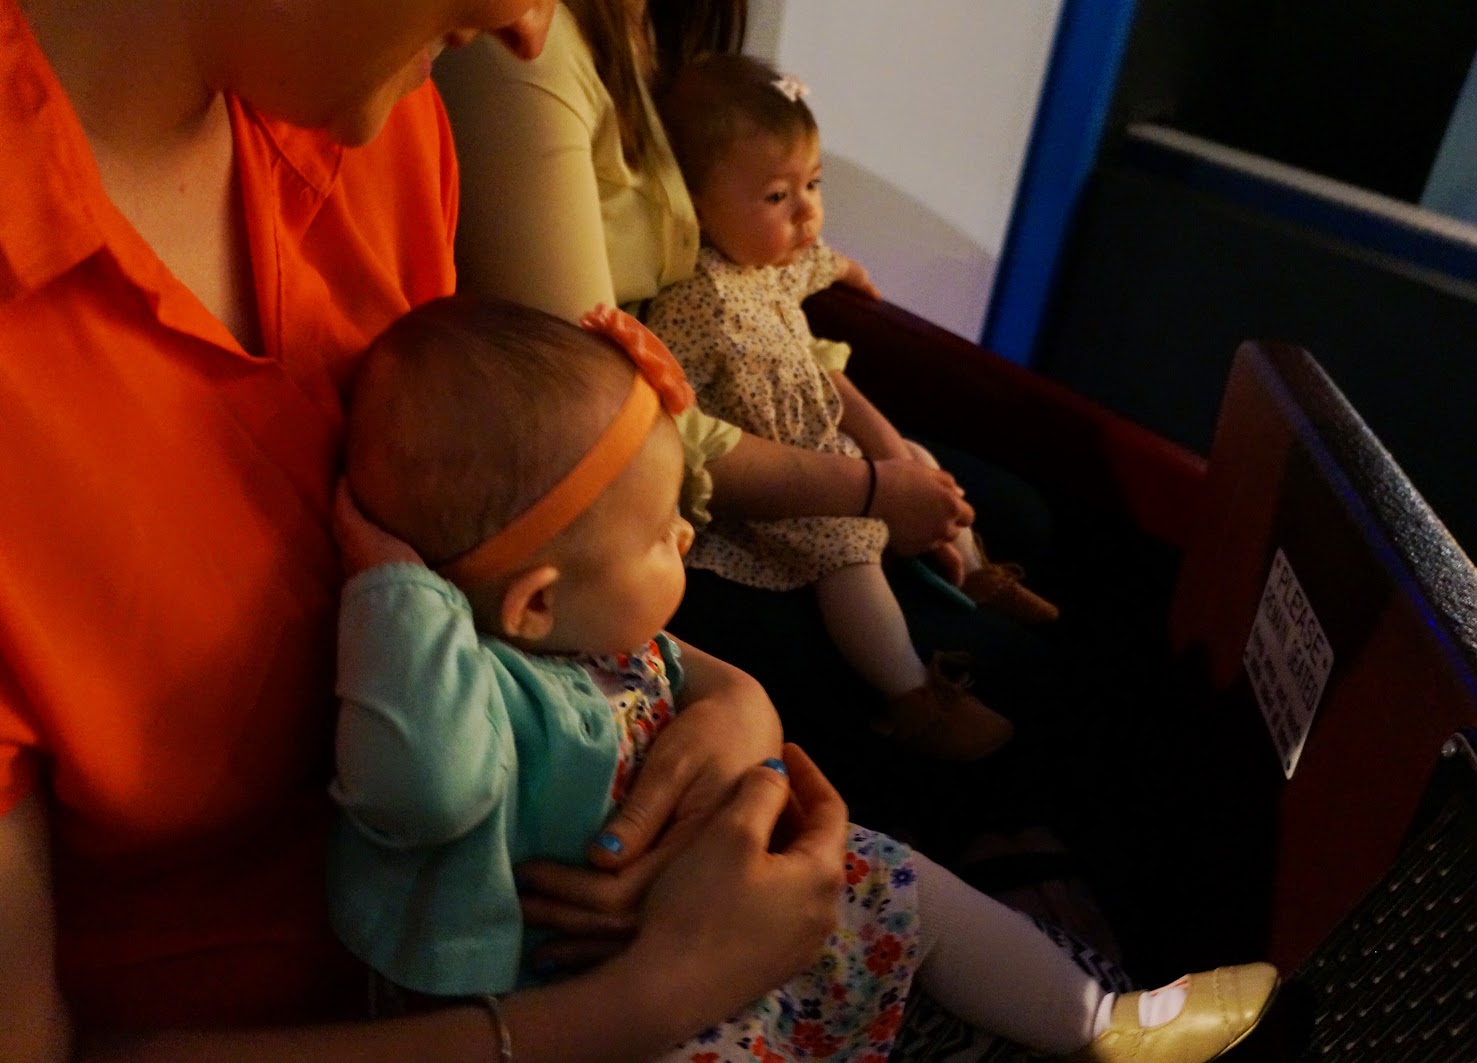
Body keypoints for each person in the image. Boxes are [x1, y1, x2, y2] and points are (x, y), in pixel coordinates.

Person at [0, 1, 858, 1059]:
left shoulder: (378, 130)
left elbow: (476, 582)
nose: (529, 31)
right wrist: (646, 999)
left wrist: (724, 698)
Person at [328, 292, 1281, 1063]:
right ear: (536, 602)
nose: (687, 536)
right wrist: (397, 587)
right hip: (583, 1007)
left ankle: (1101, 1020)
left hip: (708, 916)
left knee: (895, 873)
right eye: (660, 534)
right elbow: (424, 787)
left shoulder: (604, 638)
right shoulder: (479, 696)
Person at [435, 0, 1067, 850]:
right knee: (1009, 665)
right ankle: (921, 716)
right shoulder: (523, 51)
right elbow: (603, 419)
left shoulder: (656, 31)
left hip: (731, 414)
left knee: (1024, 513)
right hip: (643, 473)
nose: (805, 205)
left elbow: (780, 287)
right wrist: (869, 490)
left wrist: (876, 432)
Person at [641, 52, 1065, 762]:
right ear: (697, 203)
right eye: (777, 196)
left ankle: (975, 573)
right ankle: (912, 695)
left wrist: (846, 268)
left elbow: (817, 259)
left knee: (917, 458)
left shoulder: (770, 263)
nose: (806, 211)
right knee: (847, 551)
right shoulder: (694, 299)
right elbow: (670, 404)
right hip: (769, 486)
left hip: (820, 441)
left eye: (813, 184)